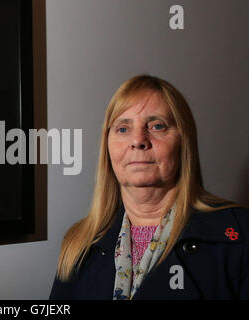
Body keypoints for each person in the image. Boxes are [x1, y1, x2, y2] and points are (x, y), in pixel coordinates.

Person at [49, 75, 249, 300]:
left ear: (184, 142)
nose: (138, 140)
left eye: (157, 126)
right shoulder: (78, 242)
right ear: (107, 147)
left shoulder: (241, 236)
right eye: (123, 129)